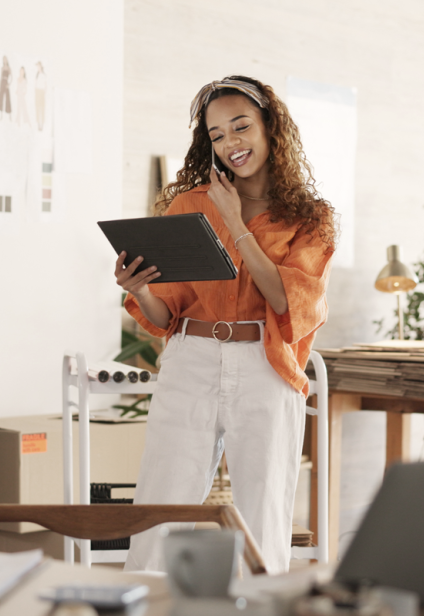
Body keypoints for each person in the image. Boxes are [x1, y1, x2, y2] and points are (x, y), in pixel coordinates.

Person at [115, 76, 335, 574]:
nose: (231, 143)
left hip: (265, 365)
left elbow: (287, 298)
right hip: (191, 358)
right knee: (161, 503)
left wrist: (236, 222)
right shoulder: (189, 207)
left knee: (263, 511)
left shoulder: (309, 218)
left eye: (240, 127)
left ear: (269, 127)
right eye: (217, 135)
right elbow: (165, 316)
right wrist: (140, 289)